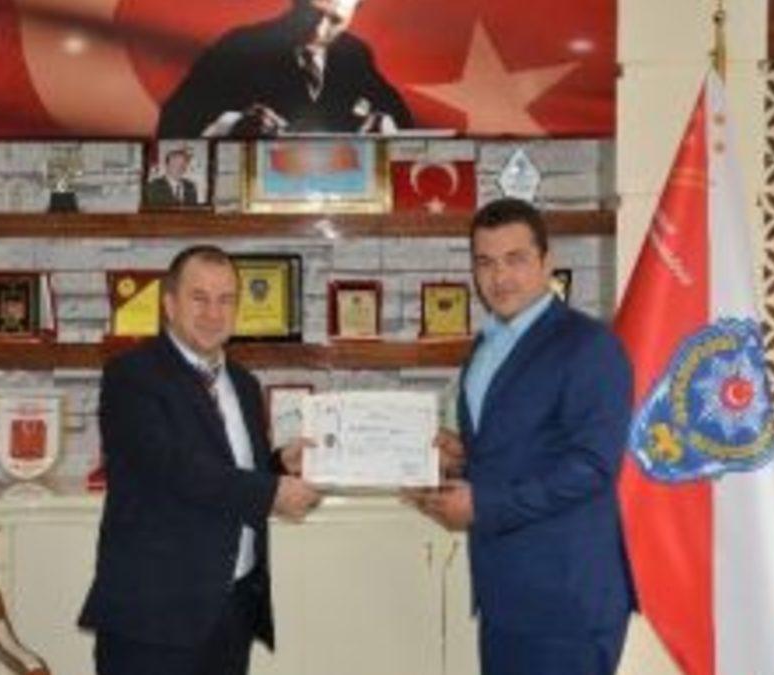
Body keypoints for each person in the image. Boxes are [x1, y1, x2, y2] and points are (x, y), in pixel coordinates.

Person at [406, 198, 635, 675]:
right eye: (485, 262)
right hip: (504, 594)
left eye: (516, 259)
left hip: (566, 602)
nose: (500, 277)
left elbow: (592, 465)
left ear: (547, 262)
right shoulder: (488, 343)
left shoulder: (589, 345)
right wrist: (461, 458)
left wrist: (484, 505)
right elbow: (520, 448)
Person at [78, 245, 322, 675]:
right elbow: (174, 469)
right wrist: (270, 493)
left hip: (231, 609)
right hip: (154, 618)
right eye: (199, 298)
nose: (214, 313)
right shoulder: (131, 376)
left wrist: (280, 463)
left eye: (226, 300)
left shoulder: (243, 383)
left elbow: (229, 469)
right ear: (169, 304)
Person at [157, 0, 413, 137]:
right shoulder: (241, 46)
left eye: (335, 20)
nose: (318, 31)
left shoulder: (354, 54)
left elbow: (401, 119)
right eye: (312, 14)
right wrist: (232, 126)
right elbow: (174, 123)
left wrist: (387, 123)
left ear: (354, 13)